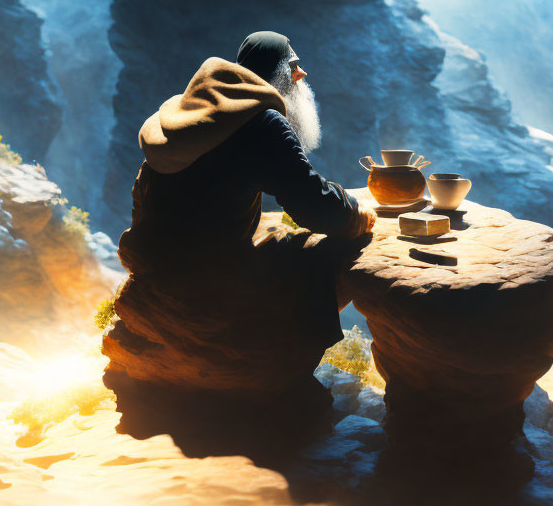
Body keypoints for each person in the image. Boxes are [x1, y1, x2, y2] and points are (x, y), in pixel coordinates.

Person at [118, 30, 376, 354]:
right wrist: (355, 215)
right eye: (294, 64)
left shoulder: (185, 114)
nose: (302, 74)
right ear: (280, 72)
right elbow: (316, 207)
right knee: (334, 247)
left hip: (154, 261)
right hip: (211, 279)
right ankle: (287, 357)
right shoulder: (261, 123)